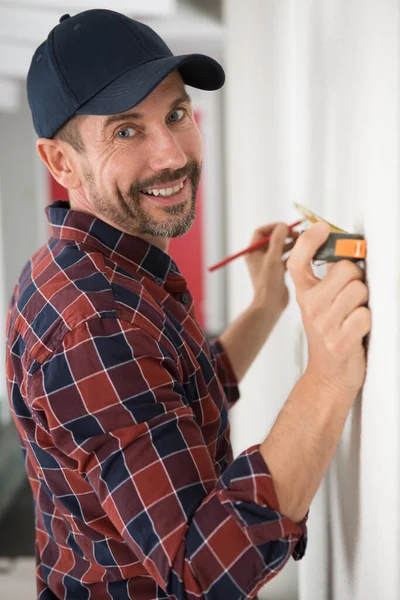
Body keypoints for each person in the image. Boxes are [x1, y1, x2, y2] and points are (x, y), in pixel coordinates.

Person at [5, 8, 371, 600]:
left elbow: (177, 399)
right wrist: (327, 379)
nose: (172, 154)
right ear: (60, 162)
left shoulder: (94, 269)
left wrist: (265, 306)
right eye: (126, 131)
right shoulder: (96, 322)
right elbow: (207, 571)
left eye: (176, 114)